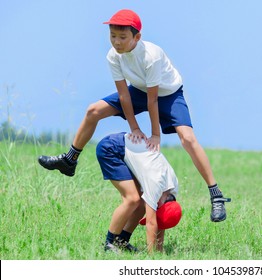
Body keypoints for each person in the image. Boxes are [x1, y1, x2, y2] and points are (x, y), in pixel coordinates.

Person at [38, 9, 231, 222]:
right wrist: (135, 128)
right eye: (112, 36)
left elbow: (153, 99)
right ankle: (70, 159)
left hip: (169, 94)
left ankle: (216, 194)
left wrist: (155, 134)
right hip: (138, 91)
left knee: (187, 138)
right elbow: (124, 95)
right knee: (93, 110)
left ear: (137, 37)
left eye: (122, 37)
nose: (116, 42)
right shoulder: (113, 56)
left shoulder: (151, 55)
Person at [96, 132, 182, 253]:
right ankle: (109, 244)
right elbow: (151, 223)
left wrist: (160, 250)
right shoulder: (156, 183)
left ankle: (122, 241)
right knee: (132, 199)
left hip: (127, 149)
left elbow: (161, 221)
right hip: (111, 148)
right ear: (164, 201)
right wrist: (153, 258)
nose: (156, 207)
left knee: (142, 203)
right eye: (158, 207)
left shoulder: (172, 188)